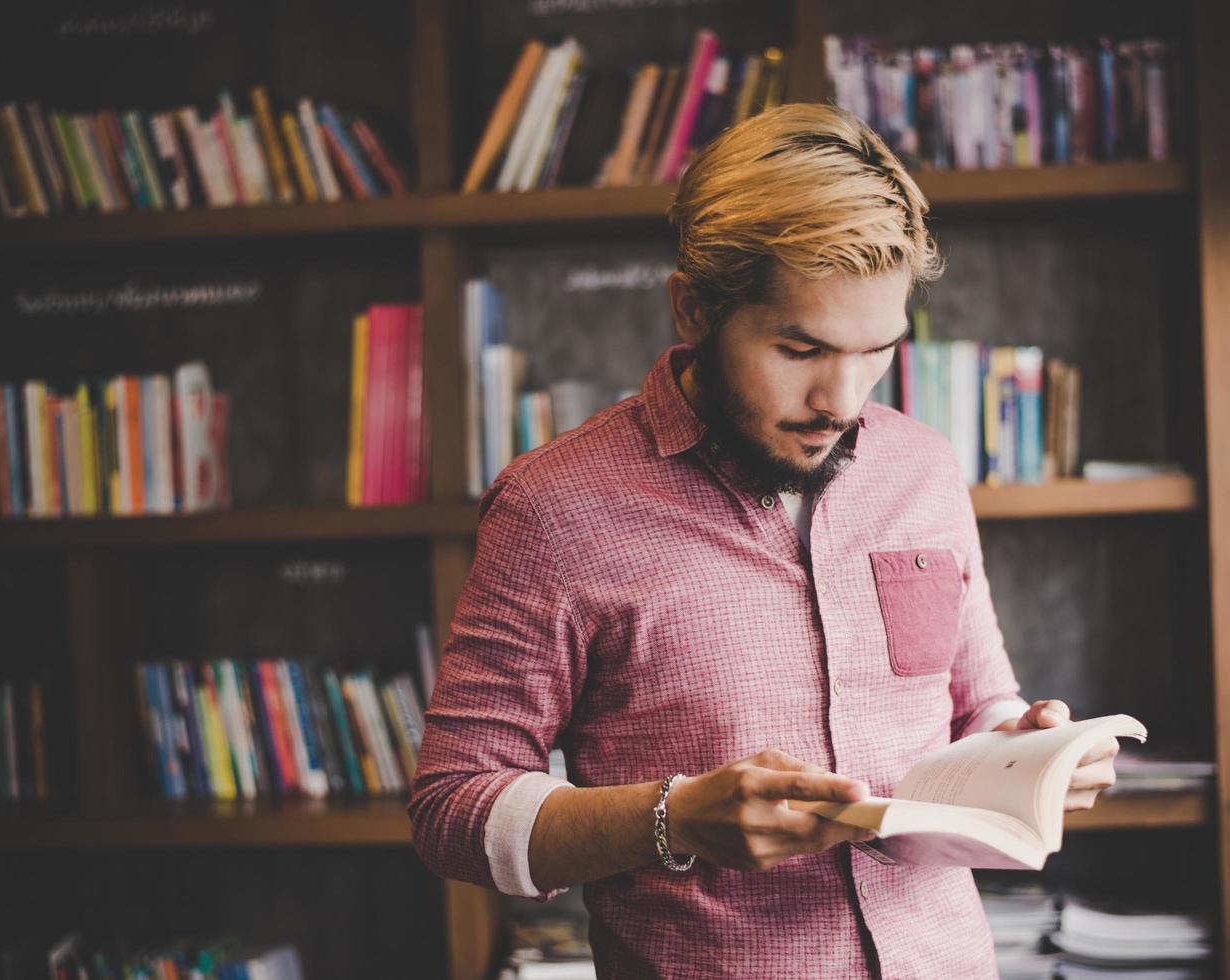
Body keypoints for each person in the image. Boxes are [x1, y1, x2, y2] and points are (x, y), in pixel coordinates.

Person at [409, 103, 1121, 977]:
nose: (843, 400)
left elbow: (981, 708)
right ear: (694, 308)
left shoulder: (924, 470)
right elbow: (451, 806)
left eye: (877, 352)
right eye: (800, 349)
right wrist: (672, 820)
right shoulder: (554, 507)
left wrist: (1034, 751)